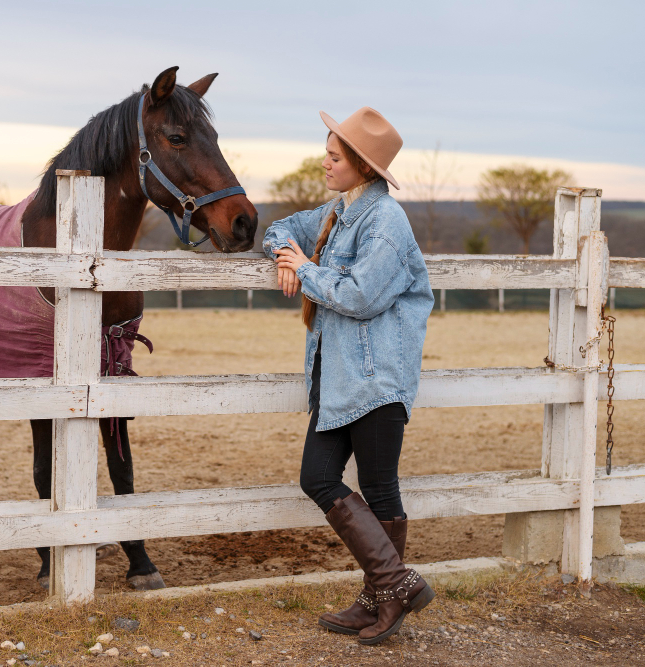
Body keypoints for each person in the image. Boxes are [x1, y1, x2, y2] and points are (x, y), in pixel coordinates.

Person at [262, 107, 436, 645]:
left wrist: (306, 270)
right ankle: (394, 588)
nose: (324, 163)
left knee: (379, 488)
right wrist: (286, 257)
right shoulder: (340, 210)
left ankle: (382, 596)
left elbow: (360, 296)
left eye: (334, 157)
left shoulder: (386, 222)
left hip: (376, 377)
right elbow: (280, 229)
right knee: (317, 476)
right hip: (335, 378)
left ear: (362, 165)